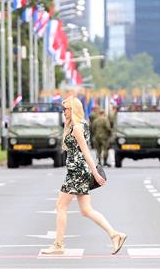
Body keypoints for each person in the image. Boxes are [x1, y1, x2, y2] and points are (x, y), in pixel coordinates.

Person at [41, 97, 126, 255]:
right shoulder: (80, 125)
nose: (63, 112)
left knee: (61, 206)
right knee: (86, 210)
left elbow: (86, 151)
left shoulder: (77, 128)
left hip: (77, 172)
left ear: (73, 110)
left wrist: (95, 173)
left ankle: (58, 245)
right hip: (78, 171)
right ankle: (115, 235)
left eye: (66, 109)